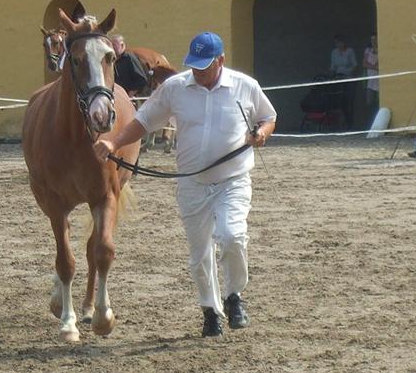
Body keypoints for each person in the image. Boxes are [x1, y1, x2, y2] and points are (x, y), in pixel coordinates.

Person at [92, 32, 277, 339]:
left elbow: (268, 116)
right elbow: (143, 121)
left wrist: (262, 132)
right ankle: (210, 310)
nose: (199, 72)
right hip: (192, 181)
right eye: (195, 65)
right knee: (199, 252)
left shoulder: (245, 86)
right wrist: (113, 142)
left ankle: (234, 297)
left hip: (233, 178)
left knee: (232, 236)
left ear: (221, 61)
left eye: (205, 66)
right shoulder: (175, 88)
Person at [329, 35, 358, 128]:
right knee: (339, 102)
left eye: (339, 42)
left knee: (349, 102)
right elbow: (333, 67)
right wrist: (330, 76)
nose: (338, 44)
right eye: (336, 43)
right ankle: (339, 124)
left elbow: (355, 65)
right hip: (338, 79)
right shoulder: (334, 52)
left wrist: (348, 73)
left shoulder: (350, 51)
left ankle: (350, 124)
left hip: (348, 79)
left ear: (344, 42)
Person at [111, 33, 152, 97]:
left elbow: (142, 79)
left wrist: (130, 94)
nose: (112, 47)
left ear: (122, 45)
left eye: (114, 45)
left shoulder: (129, 58)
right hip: (117, 97)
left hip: (130, 98)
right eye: (111, 45)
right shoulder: (112, 61)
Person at [362, 34, 379, 124]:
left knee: (378, 102)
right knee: (369, 102)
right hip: (370, 79)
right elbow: (364, 64)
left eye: (375, 39)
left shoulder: (381, 49)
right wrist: (373, 66)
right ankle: (369, 122)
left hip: (379, 79)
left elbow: (380, 64)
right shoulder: (368, 50)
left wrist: (371, 66)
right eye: (372, 39)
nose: (373, 41)